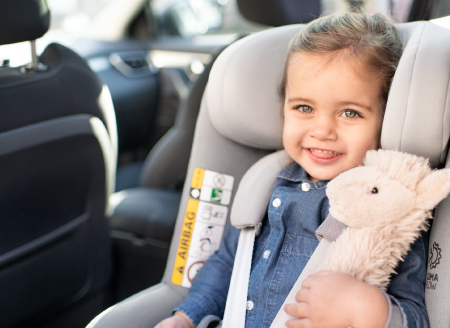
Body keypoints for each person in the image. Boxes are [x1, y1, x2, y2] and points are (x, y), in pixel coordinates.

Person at [155, 12, 429, 328]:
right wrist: (187, 316)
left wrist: (367, 309)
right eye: (304, 108)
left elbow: (417, 318)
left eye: (350, 112)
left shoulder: (385, 210)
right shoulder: (263, 185)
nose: (323, 130)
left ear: (387, 119)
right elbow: (227, 263)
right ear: (284, 108)